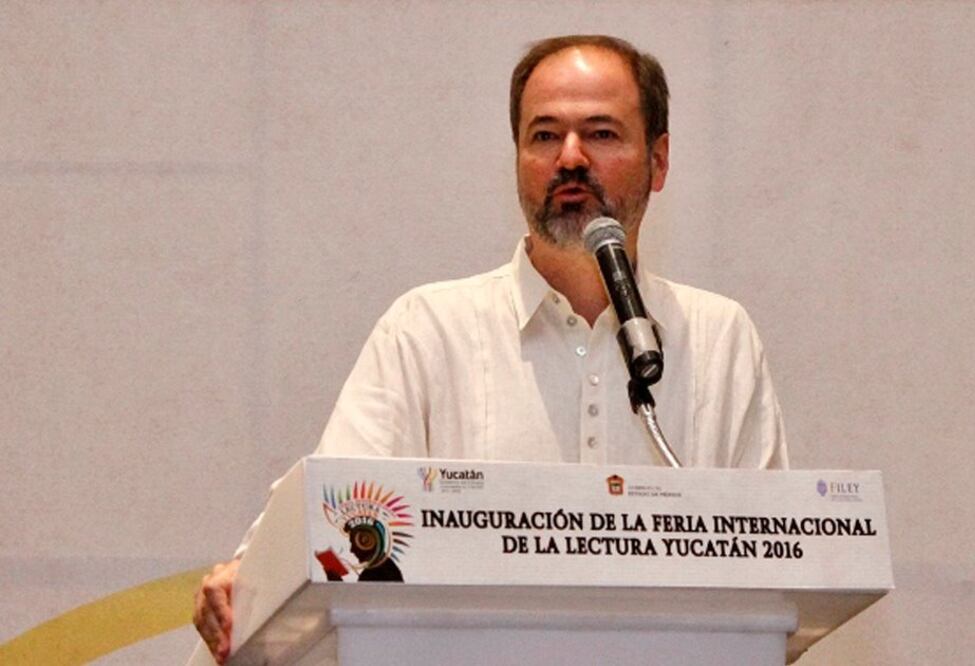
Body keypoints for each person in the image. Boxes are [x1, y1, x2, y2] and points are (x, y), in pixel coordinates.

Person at [193, 34, 788, 663]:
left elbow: (781, 579)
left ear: (659, 161)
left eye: (603, 134)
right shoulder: (428, 330)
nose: (570, 158)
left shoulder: (721, 338)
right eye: (544, 136)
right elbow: (341, 511)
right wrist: (247, 577)